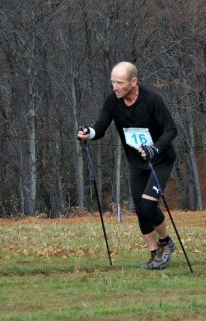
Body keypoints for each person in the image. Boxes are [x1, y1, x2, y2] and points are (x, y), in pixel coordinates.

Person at [78, 61, 178, 270]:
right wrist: (89, 132)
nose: (115, 87)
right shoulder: (113, 101)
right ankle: (153, 253)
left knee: (149, 204)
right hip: (137, 163)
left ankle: (166, 242)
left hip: (160, 160)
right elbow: (101, 128)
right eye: (113, 82)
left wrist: (154, 149)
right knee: (141, 209)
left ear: (134, 82)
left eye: (120, 83)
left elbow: (171, 130)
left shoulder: (152, 100)